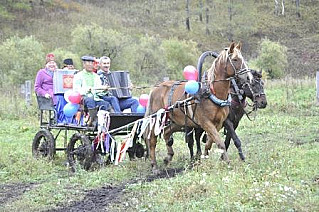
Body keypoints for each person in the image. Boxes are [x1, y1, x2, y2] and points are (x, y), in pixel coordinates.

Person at [73, 55, 111, 126]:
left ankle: (105, 123)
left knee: (105, 104)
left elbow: (98, 90)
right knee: (90, 99)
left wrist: (104, 89)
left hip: (95, 98)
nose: (90, 65)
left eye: (92, 63)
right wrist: (86, 90)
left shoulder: (96, 76)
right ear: (84, 64)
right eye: (88, 63)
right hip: (83, 99)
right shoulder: (78, 76)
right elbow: (76, 89)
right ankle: (93, 120)